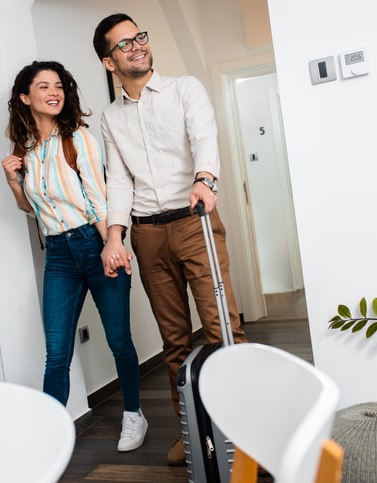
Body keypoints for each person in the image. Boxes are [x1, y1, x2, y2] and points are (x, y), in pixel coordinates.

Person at [93, 14, 248, 465]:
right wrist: (115, 236)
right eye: (125, 44)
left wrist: (205, 179)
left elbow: (204, 137)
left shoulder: (185, 89)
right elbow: (118, 180)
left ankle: (242, 431)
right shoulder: (111, 117)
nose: (137, 45)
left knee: (223, 329)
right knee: (175, 341)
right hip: (146, 234)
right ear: (109, 61)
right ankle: (194, 433)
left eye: (139, 36)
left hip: (194, 221)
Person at [1, 60, 147, 452]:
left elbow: (98, 199)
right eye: (44, 86)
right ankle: (48, 435)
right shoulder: (24, 149)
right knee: (57, 352)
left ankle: (133, 415)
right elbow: (31, 209)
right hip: (59, 256)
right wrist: (14, 183)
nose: (54, 92)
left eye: (59, 86)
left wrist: (112, 246)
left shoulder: (78, 138)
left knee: (119, 339)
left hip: (93, 242)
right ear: (24, 97)